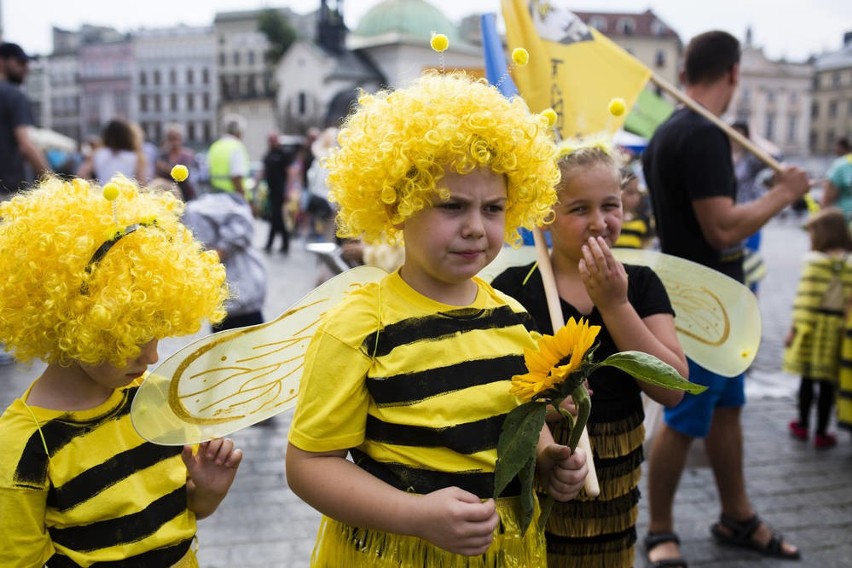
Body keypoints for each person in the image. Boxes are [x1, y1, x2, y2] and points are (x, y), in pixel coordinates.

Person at [285, 72, 588, 566]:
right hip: (396, 552)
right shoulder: (360, 327)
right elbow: (309, 465)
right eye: (451, 205)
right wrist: (415, 515)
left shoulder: (512, 318)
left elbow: (514, 426)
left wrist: (546, 459)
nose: (475, 227)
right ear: (397, 207)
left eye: (493, 208)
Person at [0, 175, 242, 566]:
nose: (150, 356)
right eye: (127, 339)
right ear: (71, 325)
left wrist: (208, 493)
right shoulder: (24, 447)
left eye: (156, 334)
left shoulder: (156, 399)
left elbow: (178, 517)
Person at [641, 30, 810, 566]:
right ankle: (660, 529)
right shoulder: (701, 132)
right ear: (734, 73)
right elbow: (721, 228)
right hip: (703, 305)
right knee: (686, 417)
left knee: (727, 413)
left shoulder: (671, 128)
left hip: (713, 298)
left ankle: (737, 515)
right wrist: (784, 194)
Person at [492, 143, 688, 567]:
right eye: (580, 209)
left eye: (611, 206)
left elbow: (672, 388)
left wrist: (615, 305)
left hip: (617, 464)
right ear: (546, 216)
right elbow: (496, 388)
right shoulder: (513, 288)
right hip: (540, 463)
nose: (600, 222)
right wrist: (543, 410)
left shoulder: (640, 284)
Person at [783, 207, 852, 449]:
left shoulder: (814, 263)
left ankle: (802, 425)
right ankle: (822, 432)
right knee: (828, 384)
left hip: (811, 327)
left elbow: (805, 301)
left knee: (807, 379)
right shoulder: (849, 264)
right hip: (837, 330)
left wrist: (794, 330)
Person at [182, 174, 267, 333]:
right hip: (225, 300)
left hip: (239, 293)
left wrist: (217, 253)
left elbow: (241, 220)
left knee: (249, 349)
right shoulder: (195, 210)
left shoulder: (195, 211)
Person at [0, 42, 50, 196]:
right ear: (2, 61)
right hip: (7, 191)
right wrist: (52, 181)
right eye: (20, 62)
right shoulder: (13, 94)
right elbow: (26, 145)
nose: (26, 68)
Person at [731, 121, 770, 292]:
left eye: (741, 134)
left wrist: (754, 141)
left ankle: (751, 295)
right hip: (728, 215)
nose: (736, 138)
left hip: (749, 215)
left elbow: (773, 158)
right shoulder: (720, 157)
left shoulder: (750, 159)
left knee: (751, 259)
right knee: (733, 259)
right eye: (733, 133)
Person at [260, 132, 298, 253]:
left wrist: (288, 189)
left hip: (281, 191)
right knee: (277, 218)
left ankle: (272, 243)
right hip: (272, 191)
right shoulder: (268, 155)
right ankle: (284, 244)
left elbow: (291, 173)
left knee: (277, 217)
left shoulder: (284, 154)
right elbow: (264, 172)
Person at [78, 118, 148, 184]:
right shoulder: (137, 156)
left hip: (104, 194)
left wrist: (94, 189)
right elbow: (142, 182)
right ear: (128, 135)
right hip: (127, 195)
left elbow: (81, 174)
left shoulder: (96, 154)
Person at [207, 114, 250, 198]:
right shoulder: (236, 146)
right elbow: (236, 176)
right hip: (233, 198)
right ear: (239, 132)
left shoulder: (215, 146)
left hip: (215, 196)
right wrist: (244, 198)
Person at [155, 123, 198, 201]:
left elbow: (188, 177)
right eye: (170, 139)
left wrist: (167, 169)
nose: (174, 142)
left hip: (186, 195)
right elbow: (157, 177)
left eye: (176, 138)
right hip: (167, 197)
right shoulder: (162, 155)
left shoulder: (188, 155)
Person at [613, 168, 653, 249]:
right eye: (630, 193)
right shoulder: (609, 222)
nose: (636, 198)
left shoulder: (642, 221)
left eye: (637, 192)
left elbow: (645, 246)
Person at [822, 137, 852, 220]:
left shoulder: (840, 166)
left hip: (843, 224)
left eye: (836, 148)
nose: (835, 150)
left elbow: (827, 199)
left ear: (841, 148)